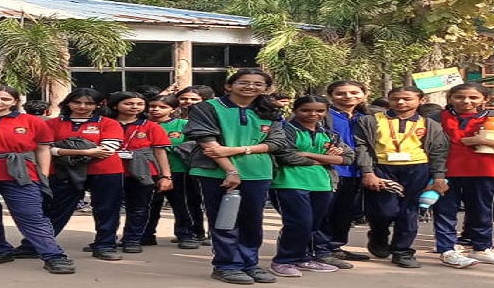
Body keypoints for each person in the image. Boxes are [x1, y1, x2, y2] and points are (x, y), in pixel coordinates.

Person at [185, 69, 292, 285]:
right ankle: (227, 265)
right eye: (244, 82)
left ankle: (249, 263)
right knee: (225, 219)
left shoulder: (269, 110)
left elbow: (279, 142)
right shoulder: (207, 107)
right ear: (229, 85)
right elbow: (208, 143)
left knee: (252, 220)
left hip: (258, 172)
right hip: (216, 172)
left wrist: (238, 150)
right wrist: (231, 170)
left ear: (266, 88)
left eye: (257, 84)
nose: (250, 87)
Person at [0, 86, 76, 274]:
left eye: (5, 99)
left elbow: (42, 148)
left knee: (31, 215)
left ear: (15, 102)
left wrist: (43, 174)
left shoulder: (31, 121)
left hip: (21, 173)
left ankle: (53, 255)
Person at [430, 82, 494, 268]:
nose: (466, 101)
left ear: (486, 99)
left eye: (473, 97)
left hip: (484, 170)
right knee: (444, 211)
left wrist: (483, 141)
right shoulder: (435, 118)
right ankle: (447, 250)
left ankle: (482, 249)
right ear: (450, 98)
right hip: (444, 172)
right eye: (459, 97)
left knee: (482, 211)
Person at [356, 86, 449, 268]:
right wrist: (367, 172)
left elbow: (439, 152)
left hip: (416, 169)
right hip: (382, 168)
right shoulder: (371, 120)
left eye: (407, 99)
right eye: (395, 99)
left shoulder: (430, 124)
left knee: (409, 212)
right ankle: (378, 234)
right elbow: (362, 146)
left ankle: (402, 251)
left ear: (420, 100)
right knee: (384, 211)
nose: (400, 102)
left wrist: (439, 177)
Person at [28, 88, 126, 260]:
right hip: (63, 172)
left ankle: (105, 245)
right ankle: (34, 246)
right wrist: (88, 151)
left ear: (98, 105)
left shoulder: (109, 123)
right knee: (55, 209)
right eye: (77, 102)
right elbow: (45, 149)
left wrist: (63, 149)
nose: (82, 106)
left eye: (89, 103)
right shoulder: (51, 123)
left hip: (105, 170)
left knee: (107, 209)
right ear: (68, 103)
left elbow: (107, 149)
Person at [268, 96, 353, 277]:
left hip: (322, 184)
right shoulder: (286, 130)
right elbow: (286, 156)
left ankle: (303, 258)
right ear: (295, 110)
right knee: (298, 223)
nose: (313, 114)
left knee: (313, 225)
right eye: (306, 110)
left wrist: (308, 154)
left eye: (319, 111)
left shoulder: (329, 134)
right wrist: (326, 159)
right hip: (289, 182)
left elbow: (347, 157)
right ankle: (284, 260)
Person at [110, 91, 173, 255]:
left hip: (144, 171)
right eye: (129, 103)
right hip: (109, 171)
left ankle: (132, 239)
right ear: (115, 105)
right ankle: (106, 239)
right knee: (107, 207)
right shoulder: (107, 123)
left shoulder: (150, 126)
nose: (134, 107)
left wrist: (166, 176)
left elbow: (160, 152)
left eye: (139, 104)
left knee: (139, 207)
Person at [319, 81, 374, 263]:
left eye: (354, 92)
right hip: (329, 170)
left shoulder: (368, 117)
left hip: (356, 172)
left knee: (345, 213)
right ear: (331, 96)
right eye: (341, 93)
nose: (348, 97)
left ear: (364, 95)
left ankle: (335, 247)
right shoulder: (322, 115)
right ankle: (319, 249)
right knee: (324, 212)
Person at [144, 95, 206, 249]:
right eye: (152, 106)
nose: (156, 109)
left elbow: (195, 146)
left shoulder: (184, 124)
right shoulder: (142, 125)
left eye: (162, 107)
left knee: (183, 204)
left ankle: (187, 234)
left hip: (179, 170)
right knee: (149, 204)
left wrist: (168, 147)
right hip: (148, 171)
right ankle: (146, 235)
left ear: (173, 109)